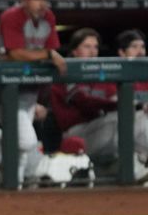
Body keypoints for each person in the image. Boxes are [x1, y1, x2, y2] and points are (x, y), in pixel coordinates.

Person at [0, 0, 67, 186]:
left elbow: (51, 50)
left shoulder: (48, 17)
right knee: (27, 141)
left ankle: (15, 187)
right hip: (3, 90)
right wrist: (47, 54)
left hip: (30, 91)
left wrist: (48, 54)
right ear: (24, 0)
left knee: (23, 147)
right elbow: (16, 53)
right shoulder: (12, 16)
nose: (41, 3)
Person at [50, 27, 148, 181]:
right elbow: (85, 102)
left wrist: (132, 106)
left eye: (95, 47)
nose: (92, 51)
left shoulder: (103, 76)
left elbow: (112, 102)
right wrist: (127, 104)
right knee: (124, 115)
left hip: (102, 130)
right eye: (87, 47)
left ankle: (137, 161)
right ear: (74, 51)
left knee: (141, 116)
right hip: (77, 131)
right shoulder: (67, 72)